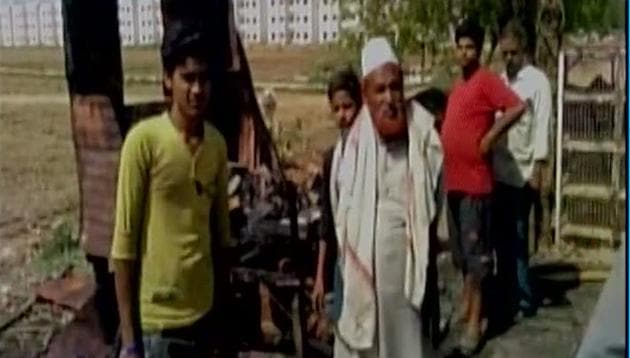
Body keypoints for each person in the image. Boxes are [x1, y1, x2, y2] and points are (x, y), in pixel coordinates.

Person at [111, 21, 231, 358]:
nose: (197, 89)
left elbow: (221, 237)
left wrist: (223, 316)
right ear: (168, 80)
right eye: (187, 78)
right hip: (158, 328)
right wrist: (131, 341)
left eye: (203, 78)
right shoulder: (143, 142)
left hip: (204, 319)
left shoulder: (217, 146)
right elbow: (122, 248)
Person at [332, 37, 443, 358]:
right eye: (380, 90)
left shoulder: (423, 138)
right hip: (362, 279)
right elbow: (341, 210)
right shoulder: (350, 150)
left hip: (406, 284)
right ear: (365, 94)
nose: (390, 98)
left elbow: (433, 208)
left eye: (396, 87)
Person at [440, 18, 526, 355]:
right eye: (460, 47)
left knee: (476, 261)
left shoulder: (486, 80)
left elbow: (517, 106)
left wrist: (491, 135)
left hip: (476, 185)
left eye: (470, 47)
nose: (464, 53)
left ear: (480, 50)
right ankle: (468, 306)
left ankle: (477, 322)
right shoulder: (459, 85)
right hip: (454, 183)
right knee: (461, 256)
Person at [493, 19, 553, 323]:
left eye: (513, 53)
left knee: (518, 236)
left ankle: (524, 297)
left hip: (524, 169)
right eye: (504, 54)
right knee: (501, 237)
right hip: (500, 169)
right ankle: (507, 292)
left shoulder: (537, 82)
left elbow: (542, 125)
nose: (508, 59)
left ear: (524, 51)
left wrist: (539, 168)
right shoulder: (500, 81)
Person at [312, 67, 362, 324]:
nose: (343, 115)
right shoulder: (334, 158)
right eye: (336, 109)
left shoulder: (371, 154)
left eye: (348, 107)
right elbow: (327, 222)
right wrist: (321, 275)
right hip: (343, 264)